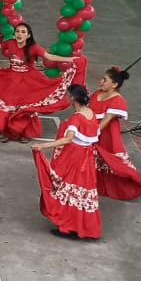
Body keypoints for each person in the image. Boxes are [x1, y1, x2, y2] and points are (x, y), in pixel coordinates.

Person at [0, 21, 84, 142]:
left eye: (23, 32)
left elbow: (50, 57)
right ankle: (7, 132)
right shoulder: (10, 43)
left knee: (26, 108)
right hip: (11, 79)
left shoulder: (33, 47)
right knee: (8, 104)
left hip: (29, 81)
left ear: (28, 35)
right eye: (17, 31)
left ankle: (26, 133)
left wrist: (70, 59)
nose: (19, 34)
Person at [31, 84, 102, 240]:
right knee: (81, 191)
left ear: (73, 98)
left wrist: (42, 145)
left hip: (75, 158)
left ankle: (68, 226)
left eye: (67, 95)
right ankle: (80, 226)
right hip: (87, 159)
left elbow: (68, 139)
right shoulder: (90, 113)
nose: (65, 97)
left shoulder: (76, 118)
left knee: (65, 188)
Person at [88, 68, 141, 201]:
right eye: (102, 79)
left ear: (114, 84)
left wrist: (90, 135)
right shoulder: (97, 93)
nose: (101, 82)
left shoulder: (117, 100)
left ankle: (129, 184)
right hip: (93, 131)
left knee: (113, 160)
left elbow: (106, 121)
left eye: (105, 80)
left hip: (107, 135)